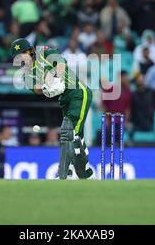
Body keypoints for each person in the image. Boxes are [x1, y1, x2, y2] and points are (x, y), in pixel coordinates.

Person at [10, 38, 94, 180]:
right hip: (64, 100)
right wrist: (45, 88)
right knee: (76, 135)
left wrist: (54, 77)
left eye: (24, 53)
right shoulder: (26, 74)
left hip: (78, 93)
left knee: (70, 133)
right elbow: (36, 89)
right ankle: (85, 173)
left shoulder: (43, 51)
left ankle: (68, 172)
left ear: (31, 50)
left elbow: (61, 62)